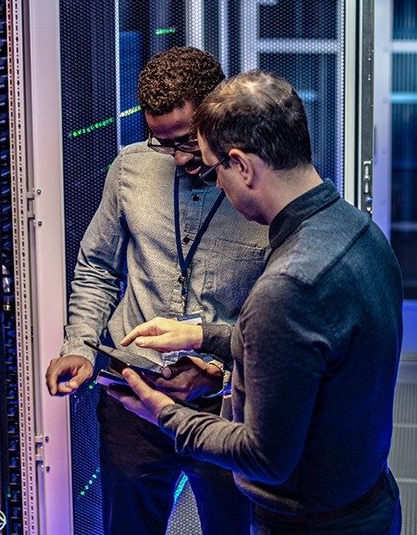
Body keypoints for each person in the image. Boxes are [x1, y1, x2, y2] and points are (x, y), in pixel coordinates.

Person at [112, 70, 404, 535]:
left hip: (307, 523)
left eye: (215, 170)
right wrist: (204, 335)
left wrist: (162, 413)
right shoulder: (359, 231)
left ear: (242, 166)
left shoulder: (287, 285)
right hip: (368, 500)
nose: (216, 187)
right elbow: (313, 350)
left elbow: (262, 457)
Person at [45, 47, 269, 535]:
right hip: (133, 395)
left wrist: (220, 371)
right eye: (161, 142)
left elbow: (283, 311)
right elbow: (97, 267)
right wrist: (79, 346)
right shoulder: (130, 170)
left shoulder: (264, 187)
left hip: (227, 409)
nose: (180, 158)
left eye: (188, 140)